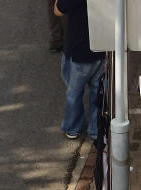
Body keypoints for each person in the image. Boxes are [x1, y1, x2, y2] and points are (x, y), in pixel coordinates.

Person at [55, 0, 105, 141]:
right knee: (98, 91)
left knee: (74, 92)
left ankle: (73, 127)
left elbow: (58, 10)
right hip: (103, 46)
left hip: (79, 49)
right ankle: (96, 129)